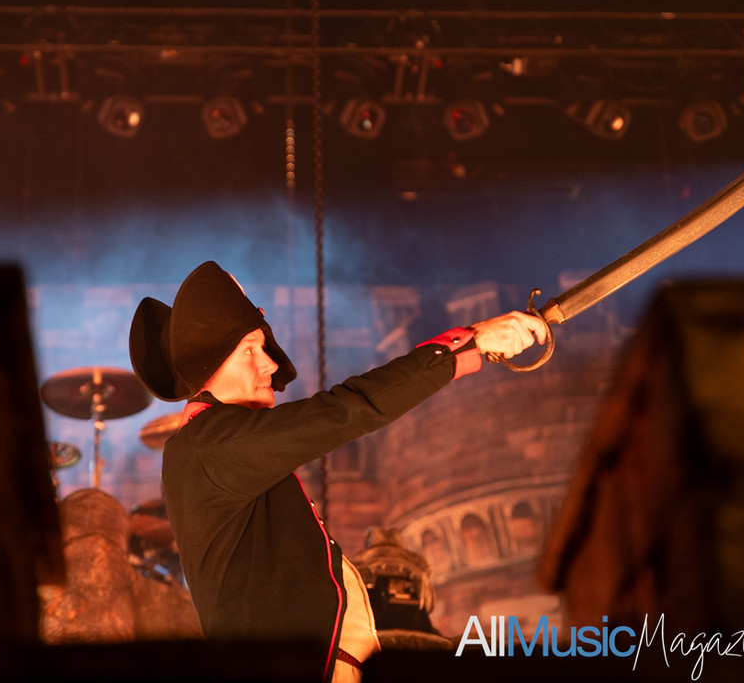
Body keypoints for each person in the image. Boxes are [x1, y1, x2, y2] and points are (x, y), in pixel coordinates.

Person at [129, 261, 546, 682]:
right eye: (249, 350)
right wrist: (467, 343)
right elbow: (348, 409)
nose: (269, 365)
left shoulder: (217, 448)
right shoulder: (208, 445)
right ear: (209, 370)